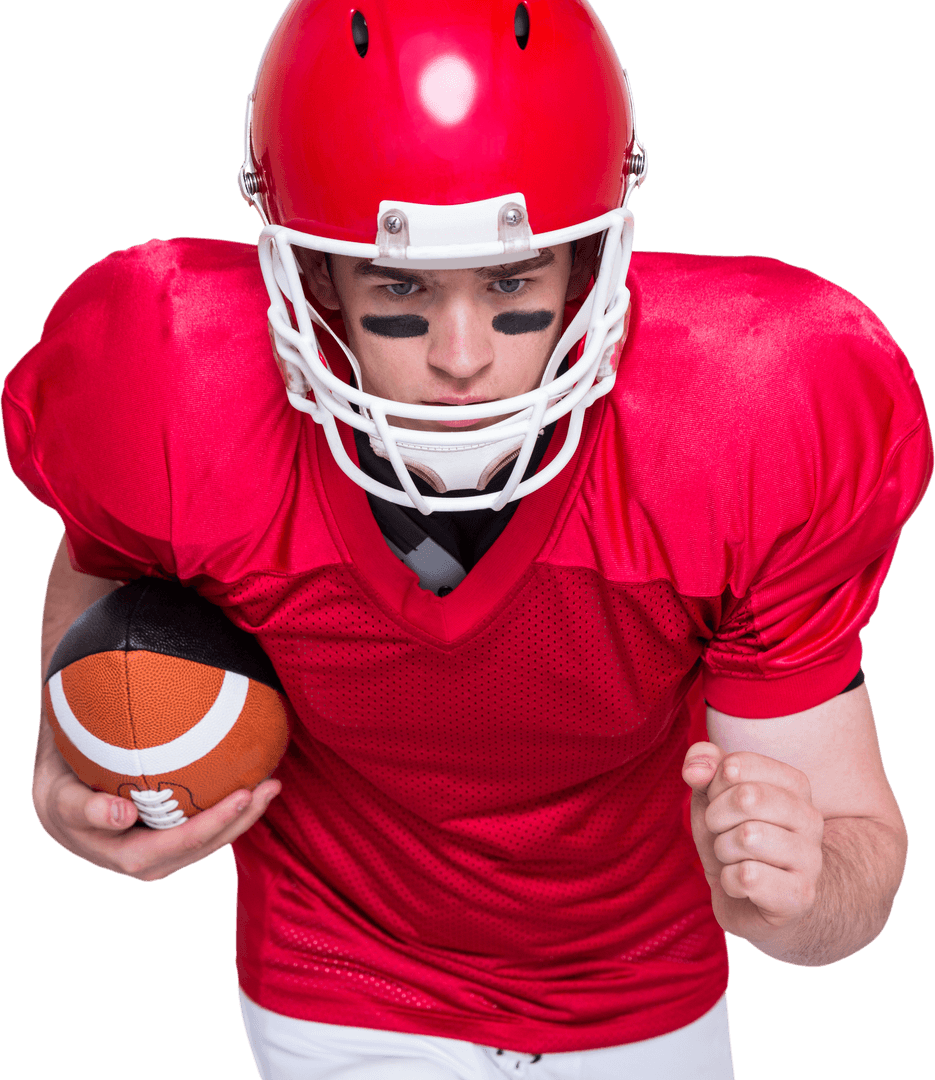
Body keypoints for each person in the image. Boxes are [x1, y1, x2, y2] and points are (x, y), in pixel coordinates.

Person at [3, 2, 931, 1078]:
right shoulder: (166, 383)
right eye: (397, 288)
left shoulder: (752, 410)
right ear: (311, 281)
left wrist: (801, 894)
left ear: (587, 265)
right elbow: (108, 558)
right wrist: (66, 760)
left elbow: (855, 854)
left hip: (635, 978)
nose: (458, 359)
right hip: (340, 967)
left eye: (510, 284)